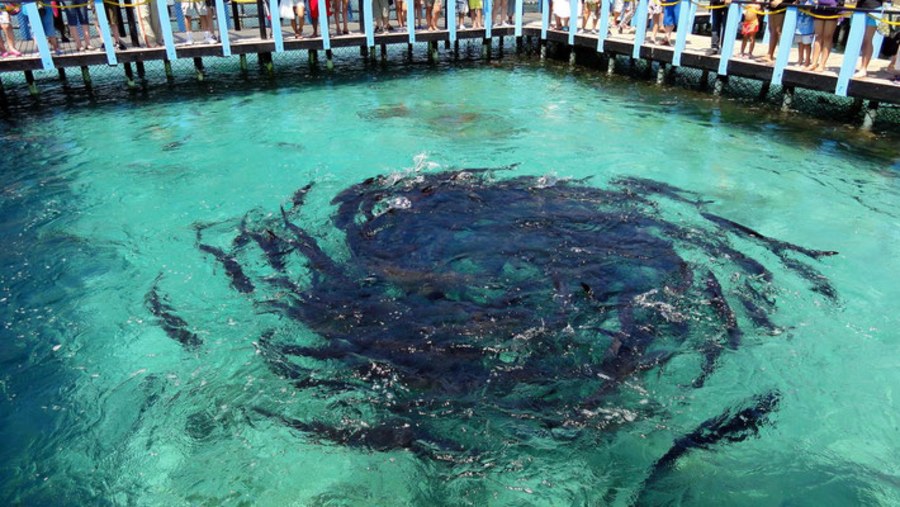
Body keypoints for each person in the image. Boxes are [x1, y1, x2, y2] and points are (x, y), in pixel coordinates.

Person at [805, 0, 839, 72]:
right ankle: (814, 63)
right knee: (818, 36)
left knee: (828, 36)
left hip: (833, 9)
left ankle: (822, 64)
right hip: (819, 8)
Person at [854, 0, 884, 78]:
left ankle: (863, 68)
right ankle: (853, 65)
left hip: (874, 9)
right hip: (859, 8)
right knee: (857, 38)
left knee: (867, 39)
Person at [794, 0, 814, 66]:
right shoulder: (798, 2)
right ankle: (800, 58)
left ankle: (807, 59)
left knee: (807, 44)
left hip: (808, 27)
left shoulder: (811, 2)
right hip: (799, 26)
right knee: (800, 43)